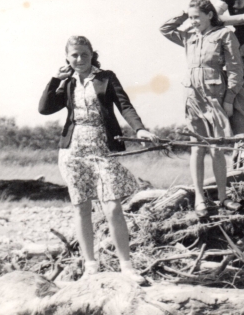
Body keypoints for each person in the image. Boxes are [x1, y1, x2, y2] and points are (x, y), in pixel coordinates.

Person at [38, 36, 159, 282]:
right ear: (67, 58)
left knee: (112, 206)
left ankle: (127, 266)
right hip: (72, 151)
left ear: (92, 54)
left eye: (84, 54)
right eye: (74, 55)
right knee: (81, 207)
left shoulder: (106, 77)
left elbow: (125, 106)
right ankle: (90, 267)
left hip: (103, 148)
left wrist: (139, 129)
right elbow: (45, 108)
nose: (80, 59)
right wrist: (55, 80)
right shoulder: (67, 83)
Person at [160, 0, 244, 217]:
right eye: (190, 17)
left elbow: (236, 69)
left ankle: (223, 198)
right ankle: (199, 198)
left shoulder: (224, 34)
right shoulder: (188, 36)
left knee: (217, 147)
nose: (193, 21)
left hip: (215, 95)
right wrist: (183, 12)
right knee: (197, 147)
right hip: (192, 96)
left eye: (197, 16)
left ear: (210, 14)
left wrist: (229, 99)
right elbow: (165, 29)